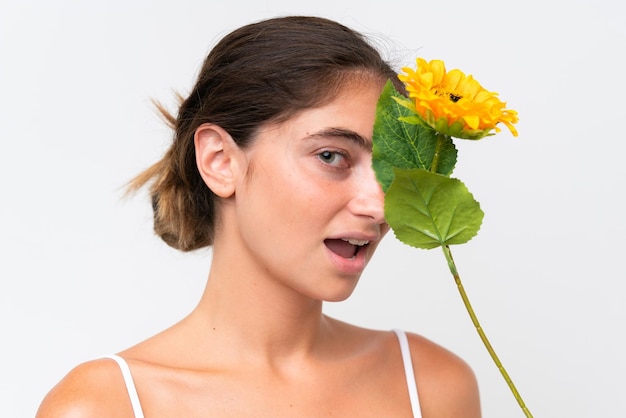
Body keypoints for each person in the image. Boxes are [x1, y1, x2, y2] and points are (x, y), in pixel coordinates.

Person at [36, 16, 480, 417]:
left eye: (390, 168)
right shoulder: (104, 406)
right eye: (331, 156)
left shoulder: (433, 386)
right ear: (220, 161)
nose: (380, 206)